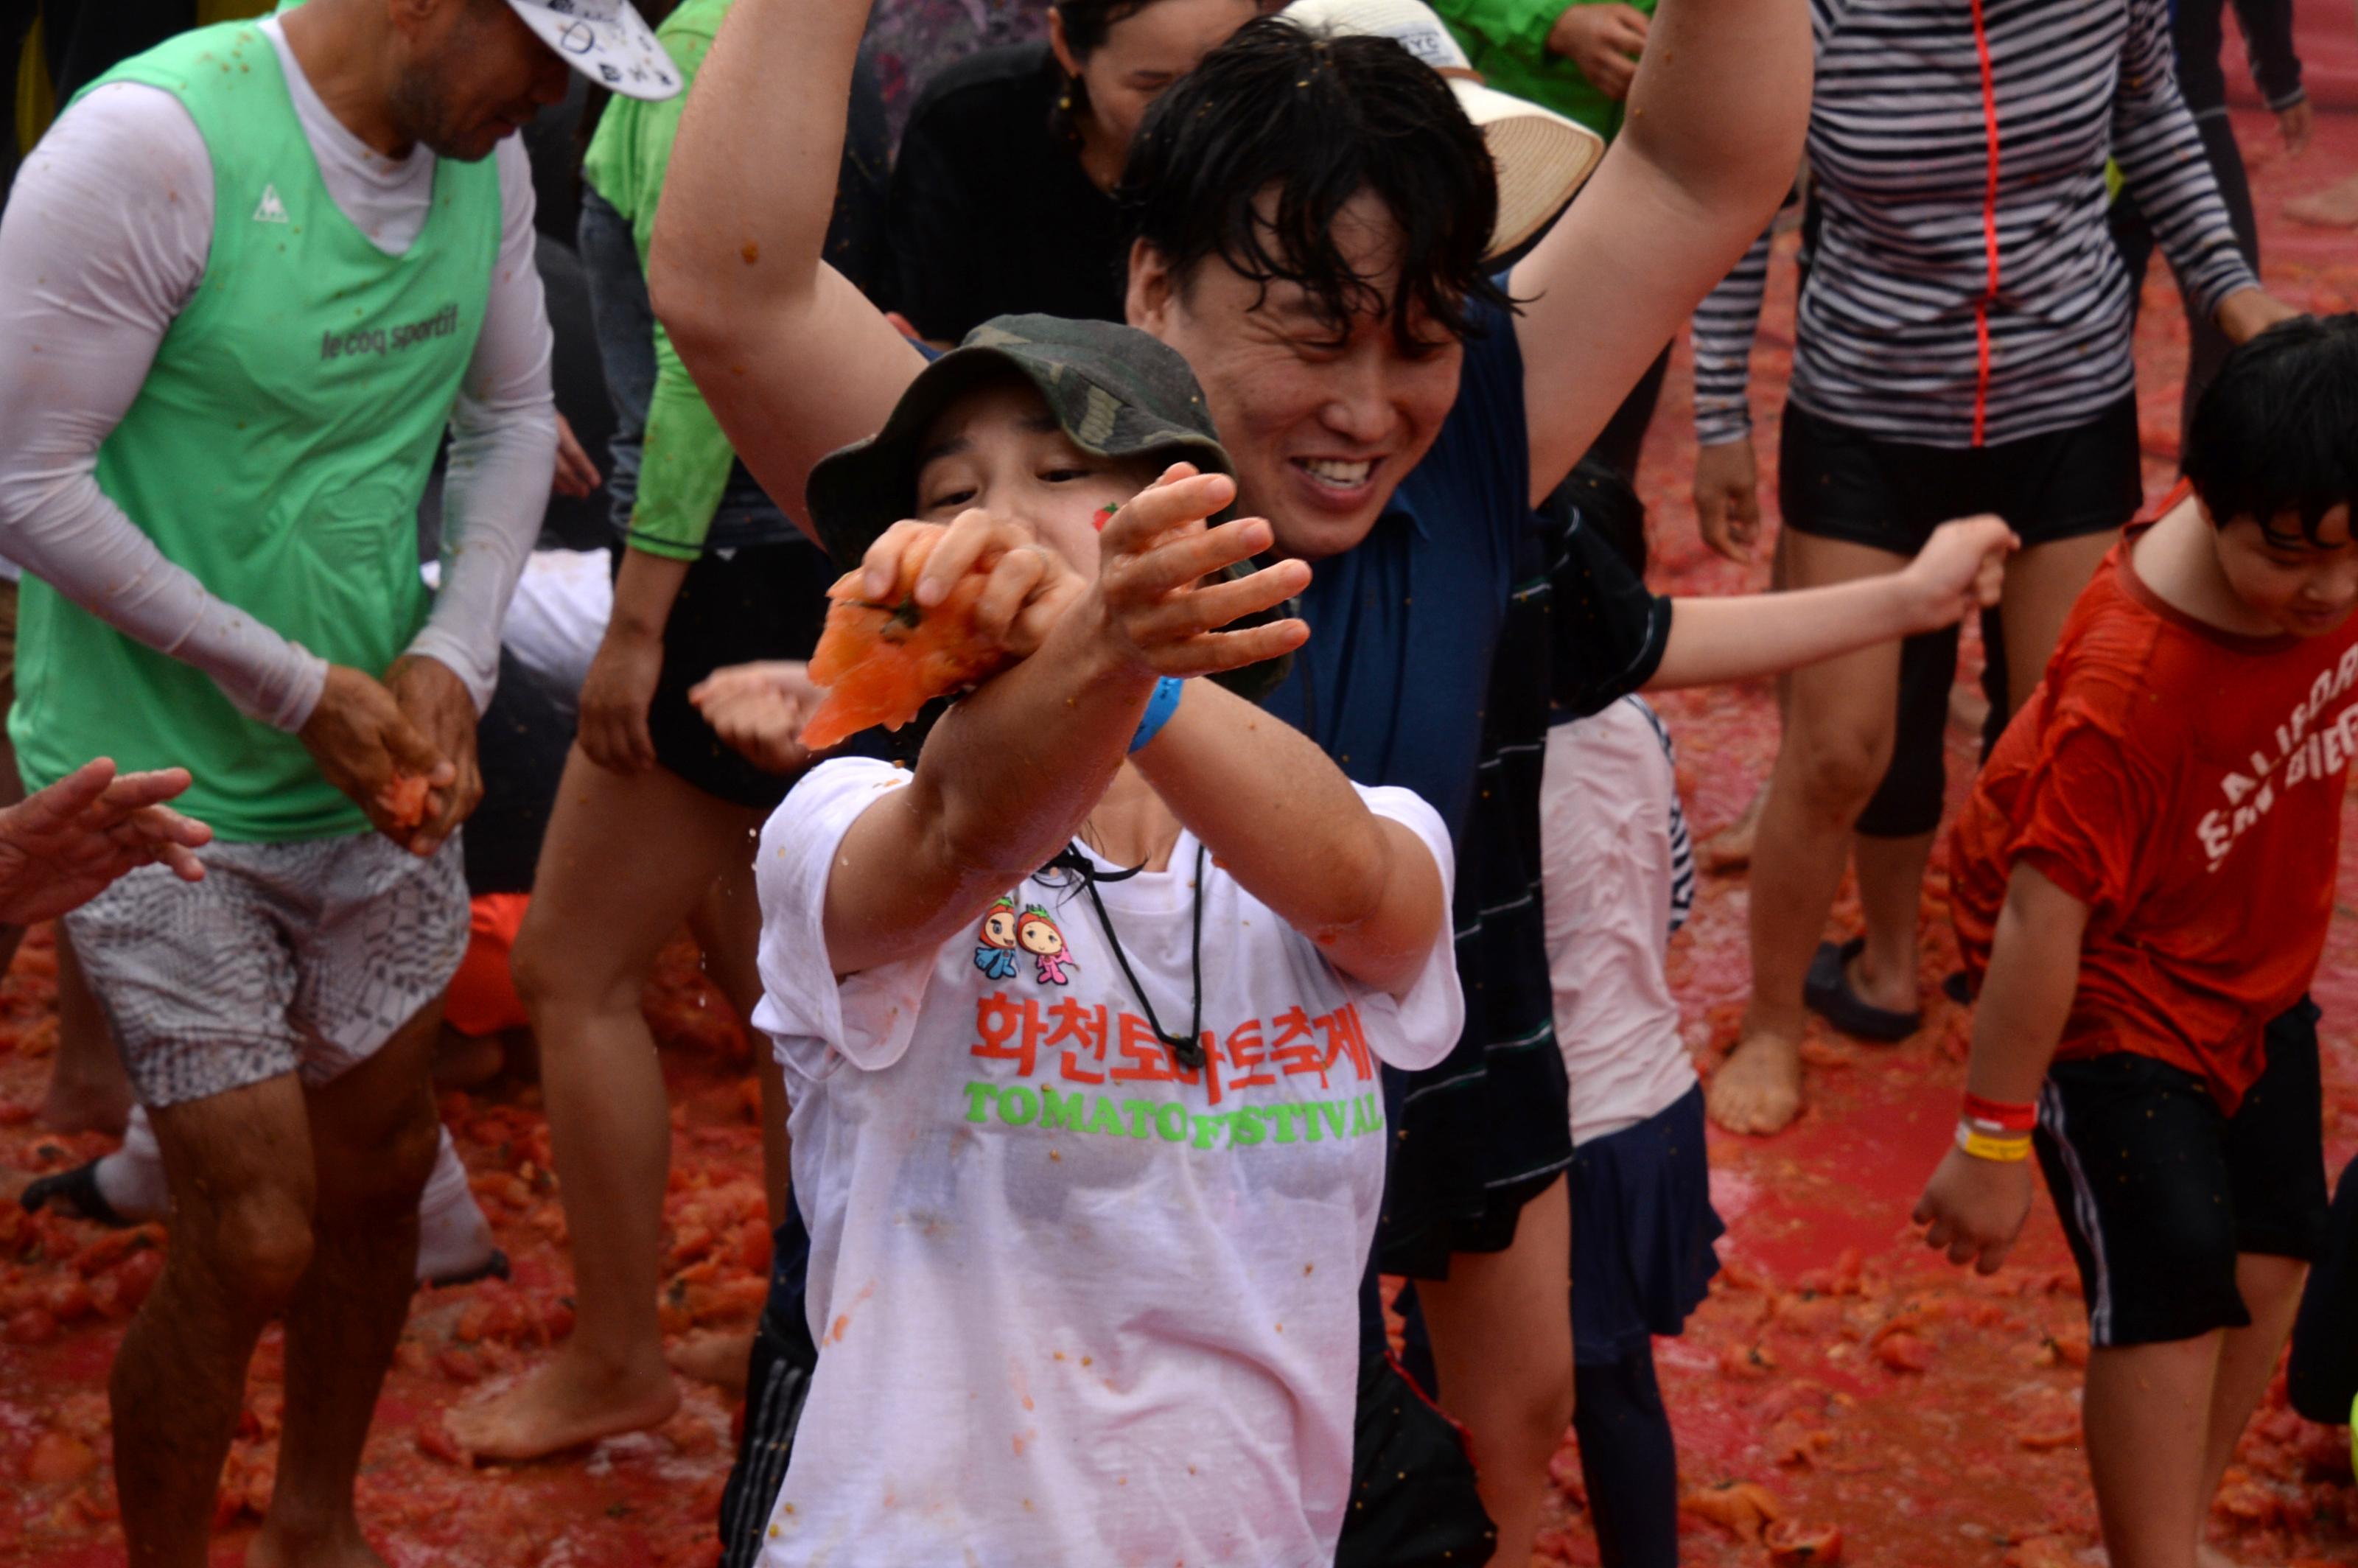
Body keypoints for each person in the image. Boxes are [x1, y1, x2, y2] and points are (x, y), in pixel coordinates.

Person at [651, 2, 2023, 1558]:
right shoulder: (1014, 484)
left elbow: (1708, 163)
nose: (1368, 407)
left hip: (1261, 1352)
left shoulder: (1446, 459)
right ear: (1153, 285)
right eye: (1309, 330)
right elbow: (728, 285)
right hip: (947, 1383)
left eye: (1420, 337)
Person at [0, 0, 675, 1557]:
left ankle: (315, 1522)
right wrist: (296, 687)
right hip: (154, 789)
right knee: (253, 1229)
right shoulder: (156, 143)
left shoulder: (480, 163)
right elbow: (28, 477)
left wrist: (455, 652)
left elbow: (513, 417)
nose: (554, 107)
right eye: (547, 63)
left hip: (377, 773)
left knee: (377, 1178)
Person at [739, 315, 1466, 1566]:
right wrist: (1102, 646)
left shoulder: (1352, 826)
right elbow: (961, 835)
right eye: (953, 495)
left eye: (1061, 474)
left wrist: (1131, 659)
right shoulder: (833, 825)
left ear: (1180, 528)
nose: (1001, 520)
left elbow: (1362, 891)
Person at [1691, 0, 2300, 1141]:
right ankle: (1783, 1013)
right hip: (1865, 415)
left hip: (2064, 400)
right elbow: (1739, 194)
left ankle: (2049, 990)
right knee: (1838, 749)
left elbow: (2153, 113)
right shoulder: (1806, 12)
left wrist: (2230, 285)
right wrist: (1719, 409)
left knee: (2069, 736)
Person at [445, 0, 887, 1462]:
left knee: (573, 965)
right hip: (822, 537)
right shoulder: (802, 40)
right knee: (781, 976)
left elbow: (698, 365)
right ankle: (804, 1327)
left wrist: (639, 618)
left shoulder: (699, 51)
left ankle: (615, 1357)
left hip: (715, 553)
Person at [1914, 314, 2358, 1568]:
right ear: (2211, 501)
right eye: (2288, 557)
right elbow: (2039, 925)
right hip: (2106, 990)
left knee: (2278, 1253)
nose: (2327, 592)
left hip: (2252, 959)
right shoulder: (2132, 687)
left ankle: (2163, 1535)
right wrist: (1991, 1139)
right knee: (2170, 1280)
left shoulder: (2327, 527)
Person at [1534, 469, 1715, 1568]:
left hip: (1565, 1140)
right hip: (1652, 1100)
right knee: (1618, 1387)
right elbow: (1679, 898)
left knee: (1581, 1393)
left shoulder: (1484, 762)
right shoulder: (1641, 723)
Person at [882, 0, 1261, 343]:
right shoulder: (973, 123)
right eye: (1153, 86)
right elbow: (925, 337)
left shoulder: (1281, 135)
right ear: (1065, 44)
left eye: (1226, 75)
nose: (1198, 111)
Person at [2110, 0, 2309, 442]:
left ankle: (2202, 496)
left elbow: (2150, 108)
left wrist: (2280, 74)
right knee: (2091, 339)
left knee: (2232, 339)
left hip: (2187, 103)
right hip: (2086, 133)